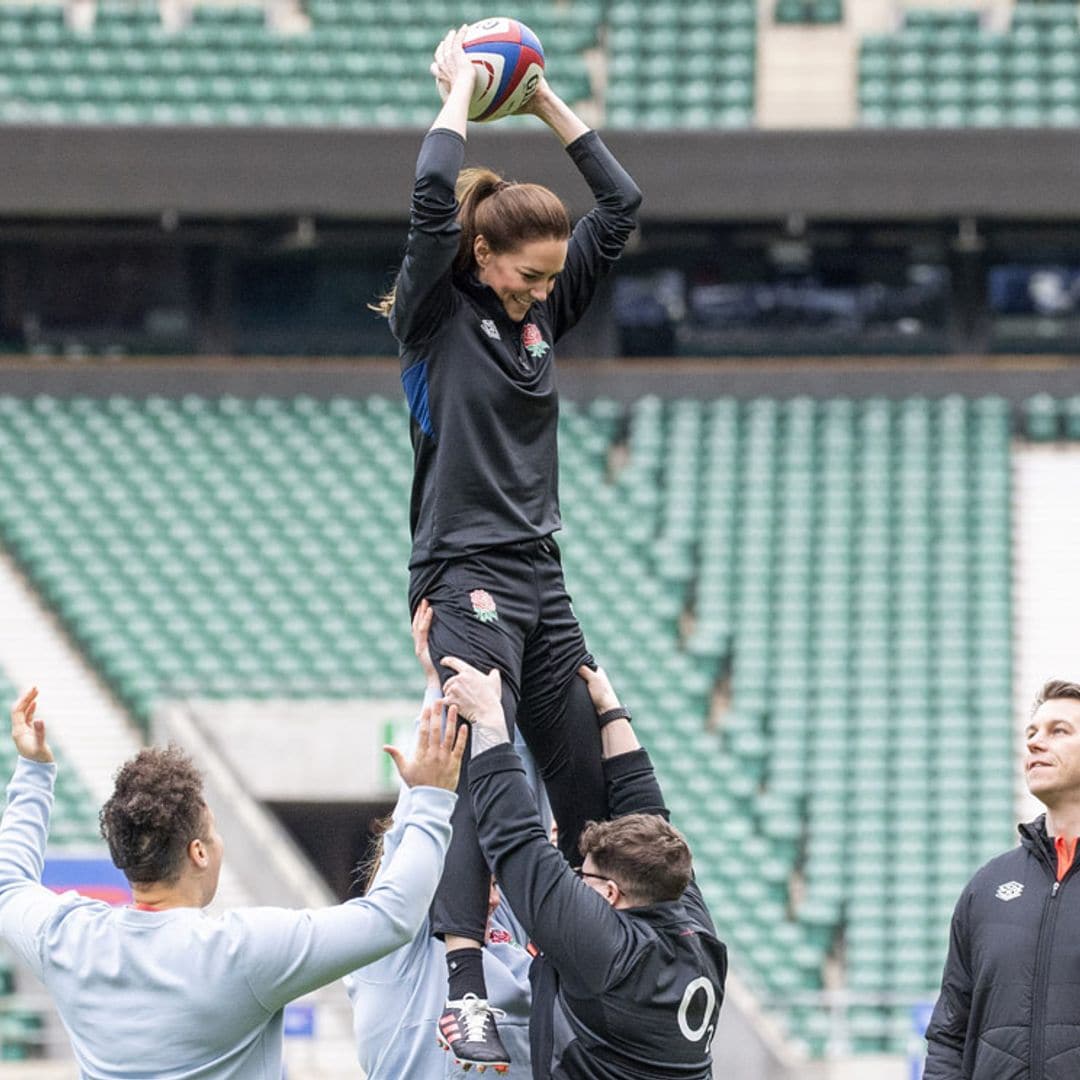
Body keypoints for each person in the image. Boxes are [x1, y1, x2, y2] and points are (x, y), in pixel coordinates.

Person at [376, 26, 643, 1069]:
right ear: (483, 257)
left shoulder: (536, 321)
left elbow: (620, 210)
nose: (543, 292)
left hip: (542, 577)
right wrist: (458, 95)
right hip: (464, 574)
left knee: (580, 788)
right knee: (488, 763)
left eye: (548, 279)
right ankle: (463, 985)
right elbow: (432, 198)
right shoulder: (435, 318)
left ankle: (574, 974)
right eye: (527, 276)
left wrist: (544, 108)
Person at [0, 684, 465, 1079]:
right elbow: (390, 919)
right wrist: (431, 799)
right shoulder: (242, 952)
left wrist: (35, 773)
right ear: (198, 852)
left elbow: (7, 884)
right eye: (214, 831)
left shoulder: (68, 940)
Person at [441, 656, 727, 1079]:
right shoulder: (694, 933)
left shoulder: (612, 955)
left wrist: (488, 721)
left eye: (584, 875)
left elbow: (517, 841)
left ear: (612, 894)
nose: (575, 878)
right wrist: (612, 713)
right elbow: (649, 819)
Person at [345, 602, 538, 1079]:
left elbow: (513, 804)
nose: (491, 888)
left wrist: (501, 702)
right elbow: (427, 811)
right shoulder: (396, 943)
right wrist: (437, 688)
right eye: (477, 869)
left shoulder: (506, 932)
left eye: (491, 874)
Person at [925, 679, 1080, 1080]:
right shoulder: (987, 886)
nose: (1034, 743)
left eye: (1058, 731)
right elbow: (948, 1034)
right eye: (1031, 733)